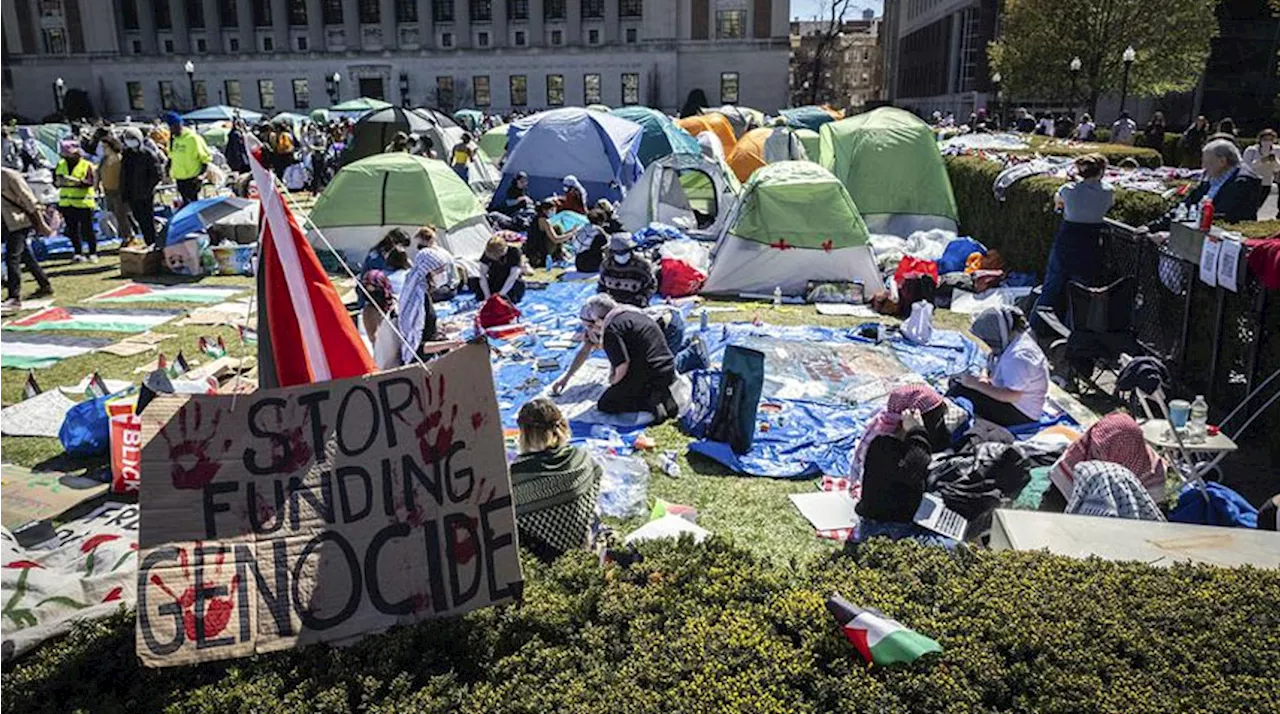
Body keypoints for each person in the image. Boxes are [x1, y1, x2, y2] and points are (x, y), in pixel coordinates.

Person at [852, 397, 958, 549]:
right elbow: (915, 469)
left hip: (900, 521)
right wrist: (917, 431)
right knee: (956, 547)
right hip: (885, 529)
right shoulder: (883, 446)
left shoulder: (898, 443)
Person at [555, 294, 679, 421]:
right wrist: (566, 378)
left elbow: (622, 365)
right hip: (667, 368)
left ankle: (649, 402)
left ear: (598, 320)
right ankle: (660, 393)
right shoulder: (631, 313)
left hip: (650, 374)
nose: (590, 330)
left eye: (591, 325)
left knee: (606, 404)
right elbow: (585, 350)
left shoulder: (611, 329)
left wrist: (614, 384)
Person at [509, 398, 603, 560]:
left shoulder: (518, 474)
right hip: (586, 541)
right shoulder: (580, 457)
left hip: (548, 556)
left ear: (525, 433)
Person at [1033, 154, 1113, 325]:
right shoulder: (1108, 191)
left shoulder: (1068, 189)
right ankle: (1073, 330)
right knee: (1080, 292)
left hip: (1068, 239)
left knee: (1052, 284)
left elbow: (1059, 203)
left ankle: (1037, 323)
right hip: (1091, 242)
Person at [948, 306, 1048, 427]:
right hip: (1009, 398)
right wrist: (983, 377)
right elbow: (991, 360)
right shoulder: (1014, 341)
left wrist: (977, 385)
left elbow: (1012, 395)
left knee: (958, 390)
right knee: (957, 380)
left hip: (1020, 413)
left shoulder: (1019, 357)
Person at [1047, 412, 1167, 507]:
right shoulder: (1079, 455)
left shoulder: (1153, 471)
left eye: (1100, 451)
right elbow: (1055, 500)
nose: (1094, 454)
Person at [1147, 139, 1262, 230]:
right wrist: (1153, 226)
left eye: (1207, 162)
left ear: (1222, 161)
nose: (1203, 166)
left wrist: (1173, 233)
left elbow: (1221, 217)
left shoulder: (1242, 182)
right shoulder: (1212, 176)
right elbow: (1186, 205)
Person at [850, 384, 950, 483]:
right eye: (937, 418)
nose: (940, 421)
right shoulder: (885, 447)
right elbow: (913, 472)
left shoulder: (892, 426)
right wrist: (916, 431)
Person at [0, 166, 55, 311]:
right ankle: (45, 285)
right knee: (26, 256)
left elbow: (29, 200)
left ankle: (14, 297)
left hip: (18, 222)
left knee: (12, 257)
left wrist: (41, 224)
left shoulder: (9, 175)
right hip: (4, 223)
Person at [54, 139, 97, 263]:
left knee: (87, 229)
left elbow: (90, 182)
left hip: (83, 202)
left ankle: (92, 252)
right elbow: (55, 180)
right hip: (66, 203)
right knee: (72, 230)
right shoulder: (60, 164)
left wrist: (74, 181)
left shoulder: (86, 165)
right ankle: (78, 252)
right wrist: (59, 182)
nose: (66, 156)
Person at [119, 128, 161, 248]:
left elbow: (157, 174)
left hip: (145, 194)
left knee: (147, 218)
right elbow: (124, 176)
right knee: (138, 218)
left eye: (133, 139)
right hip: (131, 193)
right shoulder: (126, 155)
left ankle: (152, 242)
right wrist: (124, 193)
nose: (130, 142)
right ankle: (149, 241)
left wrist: (147, 189)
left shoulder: (148, 154)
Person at [598, 234, 656, 307]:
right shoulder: (606, 265)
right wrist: (604, 299)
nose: (621, 255)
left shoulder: (643, 265)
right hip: (612, 306)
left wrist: (643, 298)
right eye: (617, 252)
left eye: (625, 252)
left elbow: (651, 285)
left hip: (636, 307)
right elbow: (601, 285)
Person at [166, 112, 211, 206]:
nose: (172, 129)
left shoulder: (193, 138)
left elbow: (205, 158)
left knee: (193, 204)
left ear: (180, 124)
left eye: (174, 126)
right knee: (185, 204)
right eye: (170, 127)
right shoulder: (172, 140)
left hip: (193, 178)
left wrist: (202, 175)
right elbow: (171, 157)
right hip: (179, 178)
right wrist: (167, 171)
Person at [96, 134, 133, 246]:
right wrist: (96, 184)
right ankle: (126, 235)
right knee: (116, 215)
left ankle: (128, 236)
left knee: (122, 214)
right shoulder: (104, 160)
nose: (103, 150)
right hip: (108, 191)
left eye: (105, 147)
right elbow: (98, 172)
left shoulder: (121, 159)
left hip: (120, 191)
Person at [470, 234, 527, 304]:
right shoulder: (488, 252)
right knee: (474, 281)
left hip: (509, 282)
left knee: (518, 284)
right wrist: (487, 296)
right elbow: (482, 275)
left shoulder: (514, 252)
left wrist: (501, 295)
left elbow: (513, 276)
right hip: (494, 280)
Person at [524, 199, 576, 268]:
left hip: (533, 248)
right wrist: (571, 234)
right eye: (552, 210)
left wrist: (570, 232)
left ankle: (560, 253)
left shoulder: (537, 218)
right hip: (539, 251)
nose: (554, 212)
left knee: (557, 228)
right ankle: (558, 254)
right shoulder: (544, 221)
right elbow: (555, 239)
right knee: (557, 229)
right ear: (544, 210)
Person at [412, 225, 458, 300]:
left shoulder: (430, 255)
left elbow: (438, 281)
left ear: (425, 241)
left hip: (445, 290)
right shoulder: (442, 251)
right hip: (452, 287)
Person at [1242, 128, 1279, 215]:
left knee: (1259, 204)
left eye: (1271, 139)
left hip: (1267, 181)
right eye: (1265, 139)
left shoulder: (1277, 150)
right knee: (1250, 204)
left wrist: (1274, 160)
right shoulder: (1251, 150)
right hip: (1252, 181)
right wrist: (1261, 160)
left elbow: (1277, 169)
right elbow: (1246, 167)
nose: (1268, 142)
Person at [573, 208, 611, 273]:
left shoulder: (582, 228)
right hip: (591, 264)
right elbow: (607, 248)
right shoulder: (599, 233)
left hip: (578, 263)